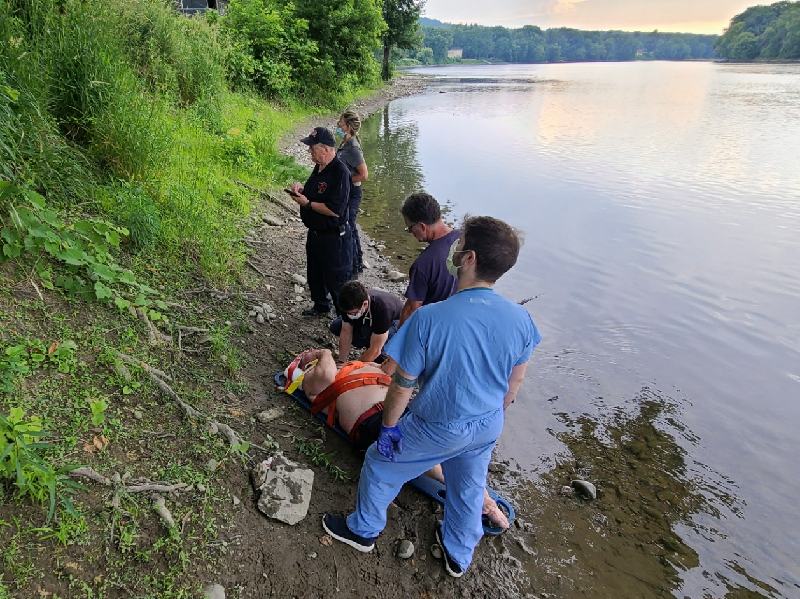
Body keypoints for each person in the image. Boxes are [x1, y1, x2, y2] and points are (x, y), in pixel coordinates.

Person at [322, 216, 541, 578]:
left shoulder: (430, 319)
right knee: (468, 485)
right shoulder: (522, 319)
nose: (453, 246)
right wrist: (489, 415)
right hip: (488, 423)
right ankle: (458, 553)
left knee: (380, 462)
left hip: (439, 424)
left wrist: (389, 429)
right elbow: (514, 384)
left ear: (468, 258)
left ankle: (363, 530)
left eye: (461, 242)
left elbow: (402, 385)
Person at [287, 348, 510, 528]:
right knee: (422, 455)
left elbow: (393, 372)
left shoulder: (355, 367)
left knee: (436, 448)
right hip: (373, 422)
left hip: (398, 414)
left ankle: (477, 493)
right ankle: (482, 500)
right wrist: (321, 353)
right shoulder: (316, 386)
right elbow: (325, 372)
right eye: (308, 367)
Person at [289, 127, 352, 317]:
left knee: (336, 279)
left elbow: (335, 210)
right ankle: (320, 306)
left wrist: (308, 204)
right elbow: (314, 192)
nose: (309, 152)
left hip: (334, 237)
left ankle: (345, 319)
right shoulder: (319, 166)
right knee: (314, 274)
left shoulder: (340, 172)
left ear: (325, 149)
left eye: (312, 148)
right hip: (315, 233)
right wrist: (301, 191)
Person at [398, 193, 461, 326]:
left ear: (422, 226)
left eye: (410, 228)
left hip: (432, 326)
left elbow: (412, 309)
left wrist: (399, 336)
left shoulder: (423, 264)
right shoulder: (464, 239)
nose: (411, 233)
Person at [328, 281, 403, 365]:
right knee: (336, 326)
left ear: (365, 304)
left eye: (353, 313)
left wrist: (353, 367)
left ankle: (379, 346)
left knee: (378, 356)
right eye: (347, 313)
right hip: (366, 315)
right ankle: (363, 340)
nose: (349, 315)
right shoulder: (347, 303)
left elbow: (375, 350)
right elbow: (346, 331)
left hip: (395, 322)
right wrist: (341, 361)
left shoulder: (383, 308)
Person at [335, 110, 368, 275]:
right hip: (345, 191)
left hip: (353, 192)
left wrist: (344, 181)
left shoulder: (353, 147)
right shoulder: (345, 142)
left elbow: (364, 174)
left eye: (340, 123)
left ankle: (356, 265)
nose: (338, 125)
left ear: (348, 126)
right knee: (346, 225)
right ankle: (351, 260)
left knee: (350, 226)